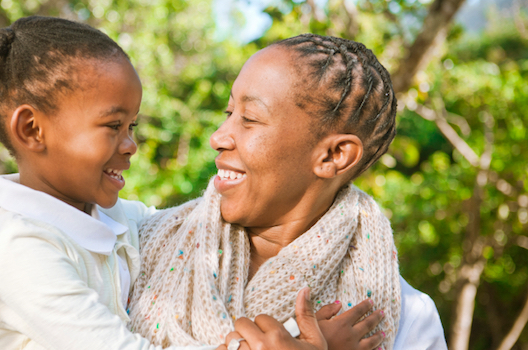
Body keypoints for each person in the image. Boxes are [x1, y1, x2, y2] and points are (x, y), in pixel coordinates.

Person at [0, 17, 382, 350]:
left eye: (132, 126)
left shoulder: (112, 219)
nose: (131, 145)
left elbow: (172, 223)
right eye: (113, 126)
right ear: (31, 129)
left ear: (333, 156)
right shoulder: (20, 250)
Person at [128, 34, 448, 350]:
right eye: (229, 113)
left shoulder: (409, 318)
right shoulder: (130, 249)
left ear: (333, 156)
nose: (218, 137)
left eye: (250, 118)